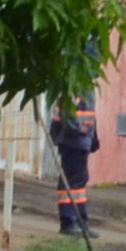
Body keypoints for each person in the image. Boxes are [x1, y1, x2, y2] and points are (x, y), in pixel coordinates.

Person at [48, 100, 99, 236]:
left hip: (82, 142)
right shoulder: (76, 85)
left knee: (79, 182)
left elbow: (89, 115)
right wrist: (77, 129)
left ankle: (80, 221)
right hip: (73, 141)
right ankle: (68, 221)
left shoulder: (86, 88)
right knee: (70, 182)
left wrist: (93, 137)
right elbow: (67, 110)